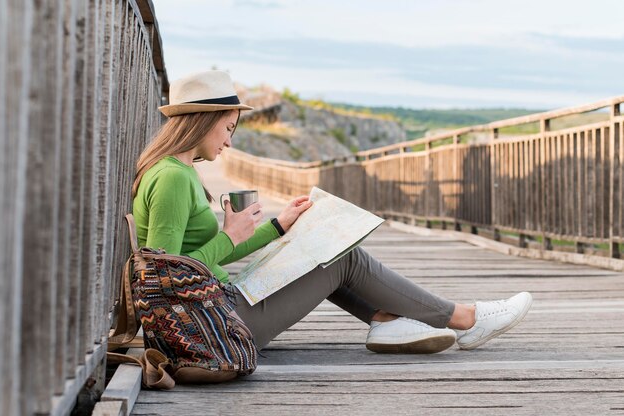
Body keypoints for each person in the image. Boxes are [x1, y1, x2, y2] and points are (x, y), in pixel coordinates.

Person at [132, 70, 532, 355]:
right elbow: (162, 277)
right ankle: (465, 318)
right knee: (343, 259)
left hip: (216, 308)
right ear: (202, 122)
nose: (230, 143)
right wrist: (229, 237)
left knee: (321, 248)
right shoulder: (172, 178)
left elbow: (188, 260)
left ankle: (387, 322)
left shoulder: (177, 171)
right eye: (228, 128)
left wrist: (277, 225)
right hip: (217, 325)